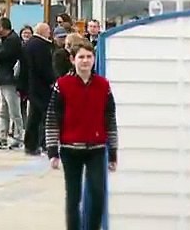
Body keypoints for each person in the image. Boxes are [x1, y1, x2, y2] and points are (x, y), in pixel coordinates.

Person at [46, 44, 119, 230]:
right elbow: (52, 119)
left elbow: (110, 119)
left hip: (96, 149)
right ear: (73, 60)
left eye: (89, 56)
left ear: (94, 59)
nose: (85, 61)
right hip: (70, 149)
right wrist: (52, 151)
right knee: (73, 197)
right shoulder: (62, 85)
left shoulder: (103, 85)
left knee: (98, 193)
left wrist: (113, 153)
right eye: (81, 57)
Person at [0, 17, 26, 150]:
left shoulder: (12, 41)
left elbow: (1, 56)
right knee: (3, 110)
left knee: (14, 110)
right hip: (3, 78)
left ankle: (18, 136)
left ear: (2, 27)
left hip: (10, 79)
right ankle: (3, 136)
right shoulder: (6, 39)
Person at [22, 22, 56, 157]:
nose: (50, 33)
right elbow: (44, 67)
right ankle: (41, 143)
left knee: (33, 115)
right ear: (42, 31)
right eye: (48, 31)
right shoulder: (41, 46)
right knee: (42, 116)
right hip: (41, 85)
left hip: (31, 84)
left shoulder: (28, 44)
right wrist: (51, 80)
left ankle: (30, 144)